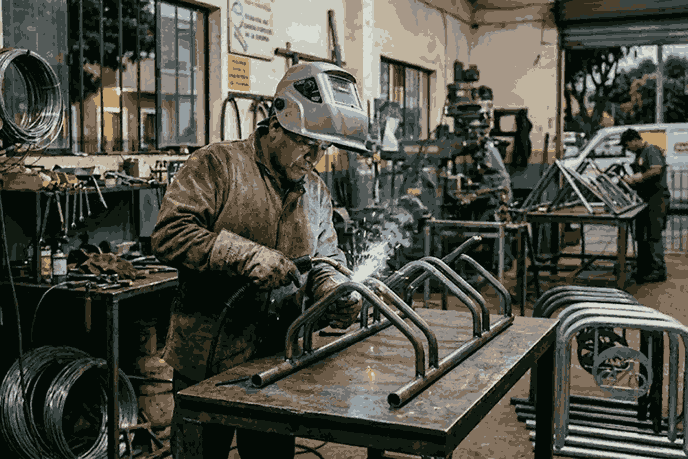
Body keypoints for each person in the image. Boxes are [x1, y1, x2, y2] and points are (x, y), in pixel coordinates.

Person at [151, 62, 371, 459]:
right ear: (276, 124)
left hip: (275, 361)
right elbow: (170, 235)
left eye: (322, 148)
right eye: (306, 143)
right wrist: (243, 255)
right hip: (206, 360)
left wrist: (334, 291)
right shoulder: (216, 165)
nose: (313, 157)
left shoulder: (315, 191)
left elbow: (324, 258)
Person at [619, 128, 670, 283]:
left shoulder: (651, 151)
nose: (627, 149)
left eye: (627, 145)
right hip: (645, 200)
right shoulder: (640, 154)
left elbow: (656, 169)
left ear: (635, 140)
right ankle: (645, 268)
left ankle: (658, 270)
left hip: (656, 198)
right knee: (642, 235)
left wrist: (637, 178)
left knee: (653, 234)